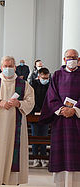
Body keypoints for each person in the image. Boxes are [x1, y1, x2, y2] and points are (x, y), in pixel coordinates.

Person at [0, 56, 35, 185]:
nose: (8, 69)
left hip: (16, 125)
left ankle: (12, 180)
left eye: (10, 66)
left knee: (14, 149)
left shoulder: (24, 85)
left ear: (15, 67)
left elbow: (30, 102)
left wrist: (19, 104)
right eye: (5, 66)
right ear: (1, 67)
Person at [39, 49, 80, 187]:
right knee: (61, 154)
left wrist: (74, 110)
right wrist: (62, 109)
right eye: (69, 57)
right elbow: (51, 95)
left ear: (79, 60)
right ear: (64, 59)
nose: (72, 59)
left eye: (74, 57)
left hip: (77, 120)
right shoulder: (57, 75)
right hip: (60, 120)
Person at [29, 67, 50, 168]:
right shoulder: (33, 85)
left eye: (47, 77)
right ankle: (35, 158)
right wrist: (37, 110)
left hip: (46, 114)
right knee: (35, 136)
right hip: (34, 113)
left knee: (44, 136)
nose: (45, 79)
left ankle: (43, 157)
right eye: (43, 77)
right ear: (39, 76)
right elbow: (31, 99)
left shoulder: (50, 85)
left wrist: (45, 111)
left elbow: (51, 99)